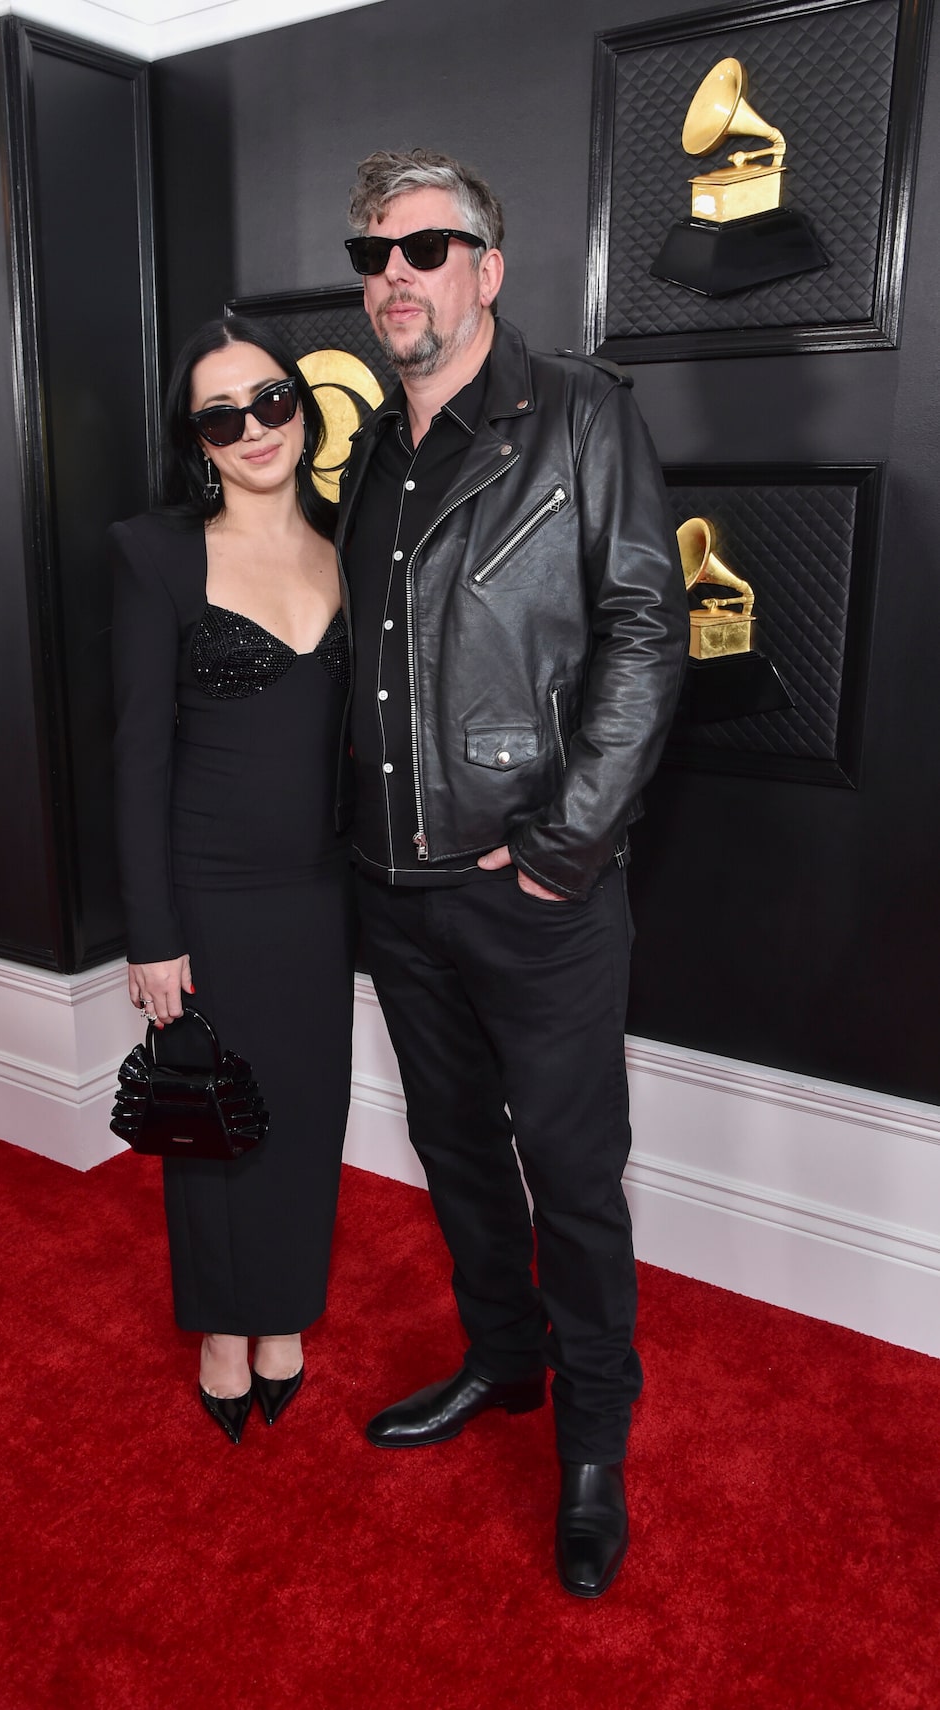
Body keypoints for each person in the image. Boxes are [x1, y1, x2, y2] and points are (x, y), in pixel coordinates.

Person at [338, 149, 688, 1595]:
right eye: (372, 254)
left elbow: (644, 631)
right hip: (393, 884)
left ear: (487, 265)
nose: (395, 275)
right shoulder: (367, 444)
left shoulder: (581, 413)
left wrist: (560, 849)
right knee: (453, 1147)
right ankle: (506, 1358)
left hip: (531, 888)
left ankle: (594, 1439)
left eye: (427, 245)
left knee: (572, 1172)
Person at [109, 317, 355, 1444]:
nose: (254, 428)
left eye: (270, 401)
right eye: (223, 416)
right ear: (195, 442)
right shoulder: (156, 554)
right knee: (211, 1119)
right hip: (204, 894)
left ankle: (285, 1313)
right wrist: (151, 934)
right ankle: (221, 1325)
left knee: (304, 1114)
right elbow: (135, 754)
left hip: (323, 894)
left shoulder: (357, 540)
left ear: (299, 407)